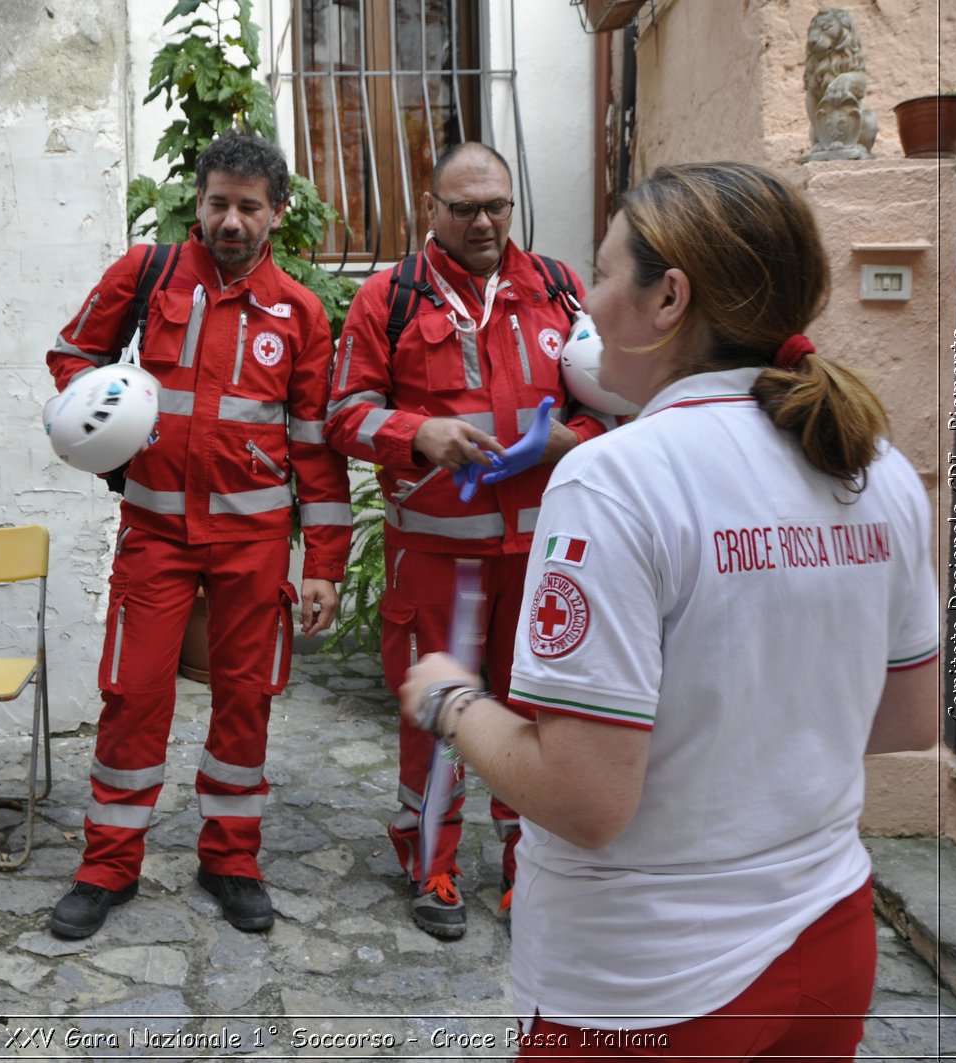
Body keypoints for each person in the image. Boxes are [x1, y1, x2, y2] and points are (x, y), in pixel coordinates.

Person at [400, 161, 939, 1057]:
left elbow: (584, 797)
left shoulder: (617, 478)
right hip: (825, 935)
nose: (586, 309)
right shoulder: (872, 462)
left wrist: (452, 700)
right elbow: (908, 715)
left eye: (605, 276)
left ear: (669, 299)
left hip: (647, 981)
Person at [44, 131, 352, 940]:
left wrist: (322, 564)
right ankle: (108, 864)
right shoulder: (147, 274)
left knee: (244, 703)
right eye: (218, 202)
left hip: (253, 549)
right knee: (133, 695)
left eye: (249, 207)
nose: (231, 220)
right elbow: (73, 354)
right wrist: (103, 420)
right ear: (200, 199)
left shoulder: (302, 313)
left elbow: (317, 451)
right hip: (156, 534)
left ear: (277, 212)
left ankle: (232, 859)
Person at [324, 142, 612, 940]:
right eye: (465, 209)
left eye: (497, 206)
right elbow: (343, 414)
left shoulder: (558, 286)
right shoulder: (389, 296)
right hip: (440, 556)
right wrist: (419, 434)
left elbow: (609, 401)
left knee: (538, 715)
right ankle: (433, 865)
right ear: (431, 210)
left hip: (544, 555)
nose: (484, 222)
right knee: (443, 715)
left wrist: (574, 440)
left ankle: (534, 872)